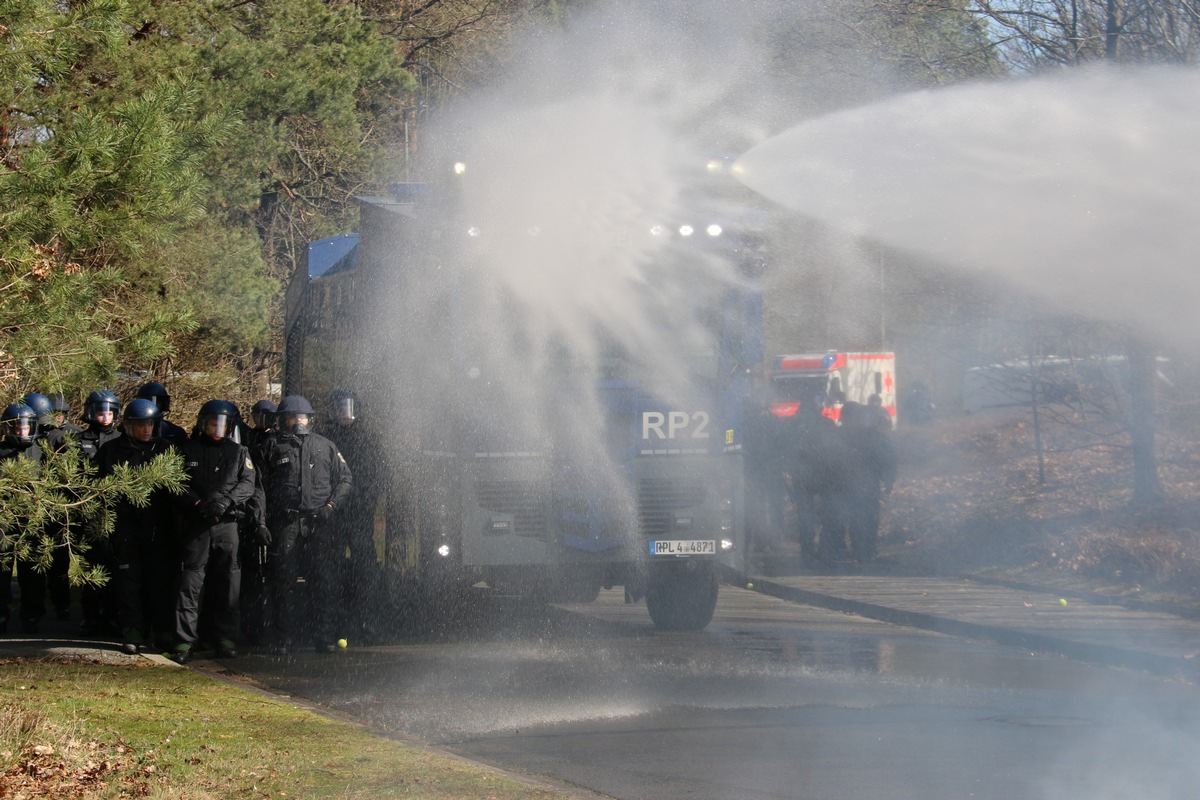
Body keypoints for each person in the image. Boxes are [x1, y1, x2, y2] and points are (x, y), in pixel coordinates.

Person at [259, 394, 352, 654]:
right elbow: (259, 486)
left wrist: (331, 507)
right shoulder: (272, 446)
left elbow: (346, 480)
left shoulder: (326, 446)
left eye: (301, 417)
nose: (297, 422)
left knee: (323, 581)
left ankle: (323, 637)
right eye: (291, 417)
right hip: (286, 523)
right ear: (283, 420)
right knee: (284, 581)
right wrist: (261, 522)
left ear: (309, 419)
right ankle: (284, 638)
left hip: (319, 524)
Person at [169, 400, 256, 664]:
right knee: (190, 584)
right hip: (197, 525)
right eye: (212, 422)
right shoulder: (187, 450)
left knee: (228, 582)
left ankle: (225, 638)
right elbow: (175, 482)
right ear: (202, 422)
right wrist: (197, 503)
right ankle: (185, 640)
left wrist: (225, 502)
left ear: (230, 426)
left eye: (223, 424)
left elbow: (248, 483)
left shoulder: (239, 452)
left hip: (227, 525)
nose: (217, 428)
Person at [96, 399, 175, 654]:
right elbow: (96, 486)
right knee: (128, 582)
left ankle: (160, 630)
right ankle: (132, 630)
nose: (146, 430)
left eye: (150, 424)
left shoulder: (166, 450)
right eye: (141, 425)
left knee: (159, 581)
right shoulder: (112, 451)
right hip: (125, 526)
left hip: (159, 527)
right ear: (129, 426)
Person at [327, 389, 386, 642]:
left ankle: (367, 621)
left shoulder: (369, 439)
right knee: (332, 568)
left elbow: (379, 474)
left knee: (366, 569)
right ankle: (334, 622)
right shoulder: (327, 439)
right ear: (334, 411)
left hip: (360, 514)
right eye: (341, 409)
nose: (345, 415)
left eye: (349, 409)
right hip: (335, 513)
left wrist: (365, 499)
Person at [76, 389, 123, 636]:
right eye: (100, 411)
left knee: (115, 565)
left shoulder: (121, 439)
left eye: (109, 411)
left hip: (114, 510)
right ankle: (90, 615)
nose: (104, 416)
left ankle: (112, 616)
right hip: (88, 508)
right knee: (92, 564)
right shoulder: (78, 439)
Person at [23, 392, 73, 619]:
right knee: (32, 562)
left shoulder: (67, 437)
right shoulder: (28, 440)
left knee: (59, 559)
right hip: (31, 508)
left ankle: (61, 604)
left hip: (57, 505)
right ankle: (33, 610)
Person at [1, 402, 45, 633]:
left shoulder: (40, 451)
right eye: (17, 427)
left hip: (32, 519)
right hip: (4, 521)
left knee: (32, 571)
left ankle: (31, 615)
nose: (22, 431)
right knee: (2, 569)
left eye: (26, 427)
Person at [839, 401, 897, 564]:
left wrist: (889, 480)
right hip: (855, 484)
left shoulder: (856, 438)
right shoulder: (852, 438)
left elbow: (889, 461)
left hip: (865, 484)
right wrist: (889, 480)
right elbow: (890, 461)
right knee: (862, 518)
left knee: (868, 518)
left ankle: (866, 549)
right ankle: (863, 550)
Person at [136, 381, 188, 446]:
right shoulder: (130, 430)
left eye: (157, 402)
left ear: (163, 404)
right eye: (147, 402)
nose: (150, 406)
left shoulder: (175, 432)